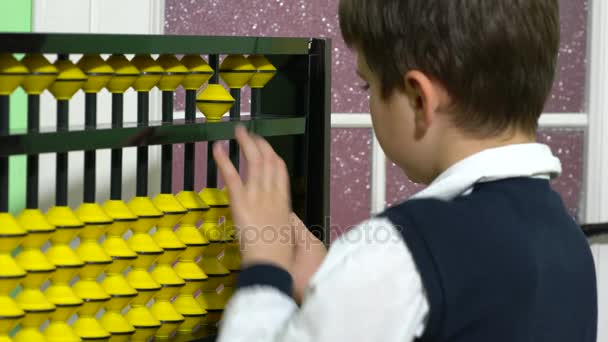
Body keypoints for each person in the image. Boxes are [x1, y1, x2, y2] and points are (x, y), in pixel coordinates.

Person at [212, 0, 597, 341]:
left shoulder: (399, 252)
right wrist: (330, 284)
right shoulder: (569, 245)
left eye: (368, 85)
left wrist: (265, 269)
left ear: (418, 99)